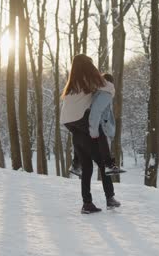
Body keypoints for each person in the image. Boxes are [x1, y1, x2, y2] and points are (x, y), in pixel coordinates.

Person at [61, 54, 121, 214]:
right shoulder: (89, 80)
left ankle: (87, 203)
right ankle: (110, 198)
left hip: (70, 124)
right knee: (102, 161)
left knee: (87, 165)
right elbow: (108, 87)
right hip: (82, 121)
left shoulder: (72, 84)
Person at [69, 73, 123, 177]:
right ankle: (109, 166)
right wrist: (95, 129)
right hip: (96, 124)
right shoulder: (106, 92)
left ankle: (76, 164)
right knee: (101, 149)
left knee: (80, 141)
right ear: (110, 83)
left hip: (83, 121)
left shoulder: (94, 91)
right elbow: (97, 112)